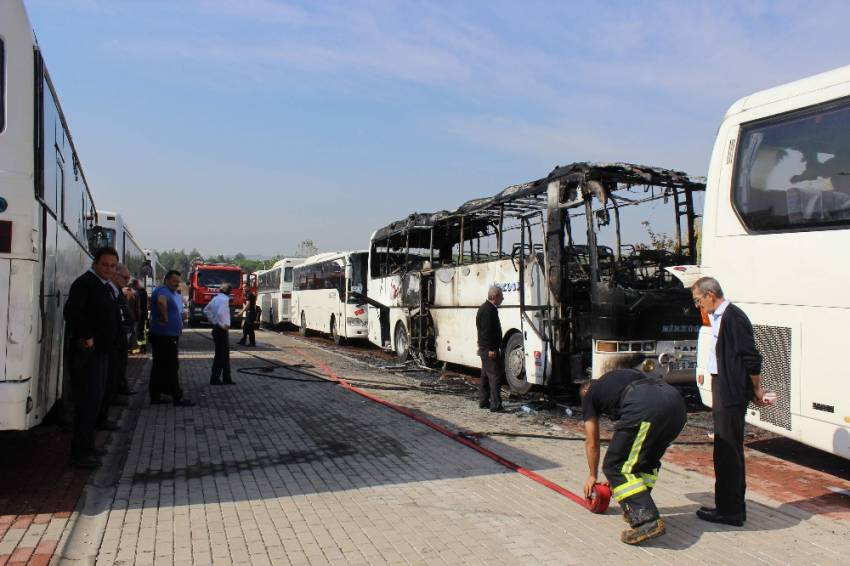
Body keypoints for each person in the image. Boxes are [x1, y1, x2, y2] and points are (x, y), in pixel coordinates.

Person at [580, 369, 687, 545]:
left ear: (586, 390)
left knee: (615, 466)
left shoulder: (589, 394)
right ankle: (636, 508)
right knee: (646, 460)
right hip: (676, 406)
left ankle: (647, 520)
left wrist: (593, 475)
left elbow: (592, 441)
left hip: (646, 407)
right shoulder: (620, 377)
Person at [692, 277, 765, 526]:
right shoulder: (719, 317)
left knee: (728, 450)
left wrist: (756, 388)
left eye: (698, 300)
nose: (699, 305)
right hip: (722, 384)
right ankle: (727, 505)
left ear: (710, 294)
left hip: (731, 389)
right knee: (723, 449)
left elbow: (751, 356)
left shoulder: (733, 317)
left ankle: (731, 510)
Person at [63, 247, 122, 468]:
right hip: (88, 354)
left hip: (102, 353)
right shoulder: (85, 284)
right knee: (86, 403)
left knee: (95, 402)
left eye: (113, 266)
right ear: (95, 263)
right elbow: (72, 313)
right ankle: (78, 454)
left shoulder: (103, 286)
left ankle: (87, 447)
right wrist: (86, 336)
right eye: (105, 264)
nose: (109, 269)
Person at [149, 270, 195, 406]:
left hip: (168, 336)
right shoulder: (162, 290)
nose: (177, 284)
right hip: (164, 336)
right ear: (166, 280)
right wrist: (164, 317)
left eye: (178, 281)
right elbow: (161, 302)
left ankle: (157, 395)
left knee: (161, 367)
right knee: (171, 367)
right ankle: (177, 397)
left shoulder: (171, 293)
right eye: (174, 281)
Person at [476, 286, 504, 412]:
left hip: (484, 348)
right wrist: (491, 349)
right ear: (495, 296)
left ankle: (483, 401)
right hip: (489, 349)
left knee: (486, 376)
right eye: (501, 296)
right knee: (495, 376)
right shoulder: (488, 310)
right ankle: (496, 404)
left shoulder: (484, 308)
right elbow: (487, 332)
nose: (502, 299)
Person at [204, 283, 234, 385]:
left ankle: (227, 378)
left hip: (216, 329)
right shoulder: (225, 300)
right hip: (221, 330)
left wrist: (213, 321)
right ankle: (215, 379)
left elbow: (206, 310)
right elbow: (221, 313)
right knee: (221, 355)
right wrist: (222, 324)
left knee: (224, 355)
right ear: (229, 291)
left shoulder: (216, 298)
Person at [133, 279, 149, 354]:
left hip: (141, 314)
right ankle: (143, 347)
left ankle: (141, 347)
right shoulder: (143, 292)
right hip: (143, 313)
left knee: (140, 331)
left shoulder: (138, 293)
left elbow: (137, 305)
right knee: (142, 331)